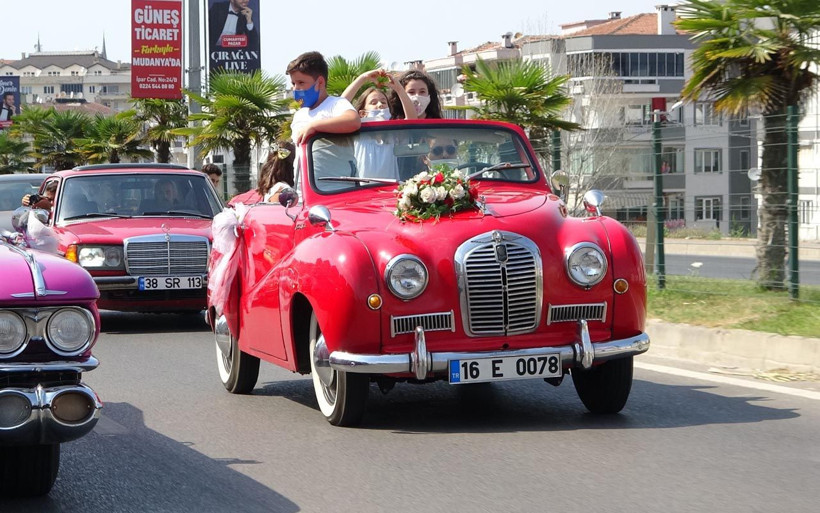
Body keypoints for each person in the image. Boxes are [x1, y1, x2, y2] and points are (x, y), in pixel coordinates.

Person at [286, 51, 361, 146]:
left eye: (301, 82)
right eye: (293, 83)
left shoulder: (335, 104)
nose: (295, 88)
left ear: (320, 82)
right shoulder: (299, 115)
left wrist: (314, 126)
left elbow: (353, 121)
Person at [341, 70, 417, 121]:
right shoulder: (357, 129)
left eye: (384, 102)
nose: (380, 105)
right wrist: (363, 78)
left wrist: (399, 89)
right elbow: (339, 106)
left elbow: (412, 120)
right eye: (373, 103)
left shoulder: (394, 131)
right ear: (362, 113)